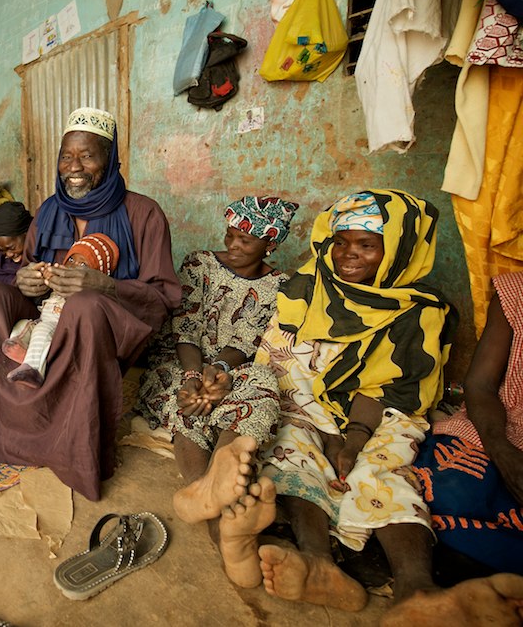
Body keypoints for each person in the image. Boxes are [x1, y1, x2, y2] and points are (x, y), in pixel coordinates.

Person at [194, 190, 457, 611]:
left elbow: (396, 390)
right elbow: (278, 360)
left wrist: (352, 437)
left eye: (367, 245)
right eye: (341, 241)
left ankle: (416, 586)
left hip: (377, 415)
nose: (348, 255)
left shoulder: (418, 311)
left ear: (401, 249)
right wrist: (316, 423)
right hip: (301, 402)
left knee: (381, 469)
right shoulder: (307, 286)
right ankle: (315, 560)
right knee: (288, 451)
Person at [0, 107, 182, 500]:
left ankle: (69, 447)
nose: (75, 166)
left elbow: (163, 297)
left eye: (88, 155)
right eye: (66, 155)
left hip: (106, 328)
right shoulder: (50, 211)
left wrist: (104, 286)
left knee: (84, 305)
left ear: (110, 159)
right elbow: (32, 279)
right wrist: (26, 280)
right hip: (45, 320)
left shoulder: (143, 213)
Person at [136, 197, 297, 540]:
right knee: (188, 404)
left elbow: (247, 339)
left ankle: (215, 488)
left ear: (270, 245)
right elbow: (186, 325)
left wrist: (220, 371)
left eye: (246, 240)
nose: (234, 246)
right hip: (181, 358)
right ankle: (210, 502)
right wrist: (195, 376)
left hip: (232, 365)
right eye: (230, 235)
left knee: (263, 381)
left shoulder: (279, 284)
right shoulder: (200, 263)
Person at [411, 271, 523, 575]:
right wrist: (504, 453)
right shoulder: (516, 292)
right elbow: (480, 386)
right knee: (445, 492)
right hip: (495, 428)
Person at [3, 233, 119, 388]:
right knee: (22, 325)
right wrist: (43, 274)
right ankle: (25, 351)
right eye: (71, 259)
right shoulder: (60, 278)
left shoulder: (84, 290)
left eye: (83, 265)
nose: (73, 265)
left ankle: (33, 370)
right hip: (42, 320)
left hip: (58, 327)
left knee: (42, 331)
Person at [0, 201, 33, 286]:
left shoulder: (42, 250)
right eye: (2, 250)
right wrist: (17, 281)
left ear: (27, 234)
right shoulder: (1, 260)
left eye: (12, 248)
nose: (8, 254)